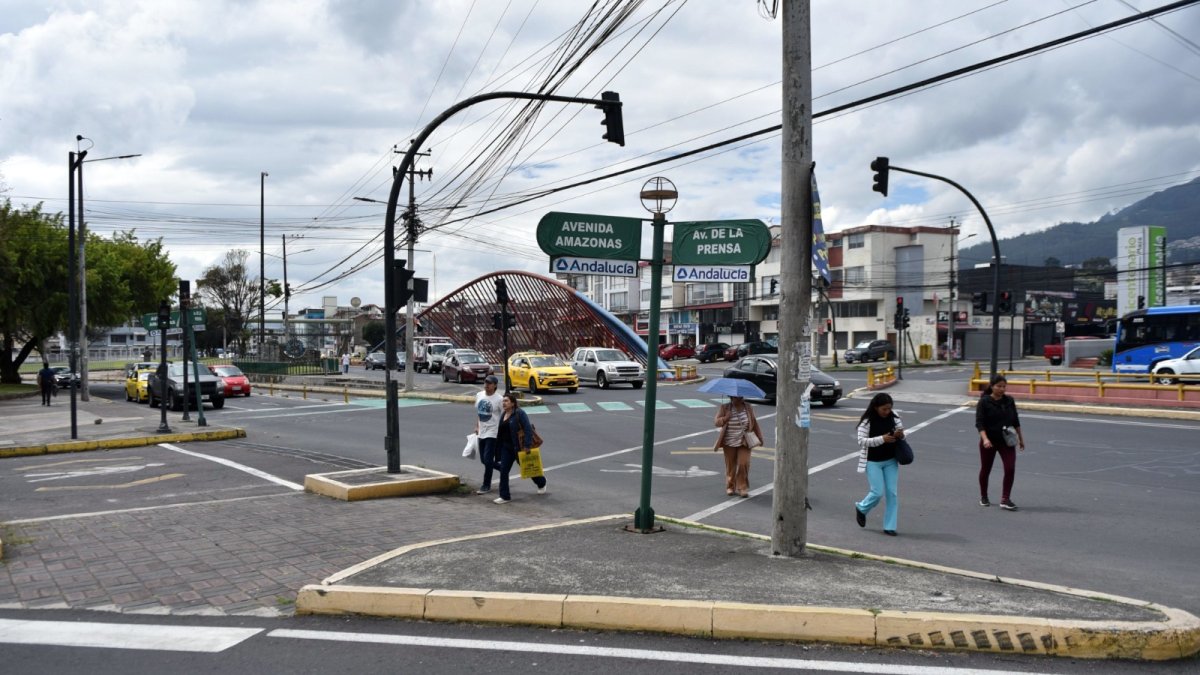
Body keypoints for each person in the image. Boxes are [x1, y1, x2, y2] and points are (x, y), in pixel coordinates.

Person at [854, 392, 903, 536]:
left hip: (891, 460)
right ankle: (861, 508)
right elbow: (861, 441)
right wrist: (882, 439)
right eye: (884, 409)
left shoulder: (895, 416)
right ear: (876, 407)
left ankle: (890, 526)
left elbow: (901, 433)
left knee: (892, 493)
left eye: (889, 408)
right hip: (872, 461)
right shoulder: (867, 421)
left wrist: (900, 434)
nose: (887, 412)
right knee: (877, 492)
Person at [975, 374, 1025, 511]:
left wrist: (1021, 438)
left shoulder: (1009, 401)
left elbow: (1015, 421)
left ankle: (1005, 499)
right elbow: (980, 423)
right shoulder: (984, 402)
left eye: (1004, 386)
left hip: (1007, 441)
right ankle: (984, 496)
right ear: (992, 386)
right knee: (986, 469)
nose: (1002, 389)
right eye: (999, 386)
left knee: (1010, 468)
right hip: (989, 441)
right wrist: (985, 439)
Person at [492, 392, 547, 503]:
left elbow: (527, 429)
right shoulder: (504, 414)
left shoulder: (519, 413)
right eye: (503, 401)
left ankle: (542, 482)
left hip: (519, 448)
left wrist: (527, 445)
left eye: (506, 401)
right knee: (504, 471)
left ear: (513, 403)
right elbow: (501, 433)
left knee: (529, 469)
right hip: (506, 448)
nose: (504, 403)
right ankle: (504, 496)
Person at [713, 395, 763, 498]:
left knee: (743, 464)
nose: (740, 400)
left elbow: (754, 423)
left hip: (744, 441)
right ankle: (730, 486)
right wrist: (725, 418)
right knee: (731, 466)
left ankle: (742, 487)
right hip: (729, 441)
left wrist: (760, 437)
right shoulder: (725, 408)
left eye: (741, 397)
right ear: (731, 398)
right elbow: (716, 422)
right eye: (737, 398)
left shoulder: (748, 407)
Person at [472, 375, 503, 495]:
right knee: (484, 460)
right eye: (485, 383)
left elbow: (504, 414)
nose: (486, 385)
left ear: (495, 385)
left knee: (488, 459)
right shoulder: (479, 395)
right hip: (481, 431)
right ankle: (502, 469)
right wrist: (477, 426)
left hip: (493, 432)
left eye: (489, 383)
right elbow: (479, 413)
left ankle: (486, 485)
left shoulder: (499, 399)